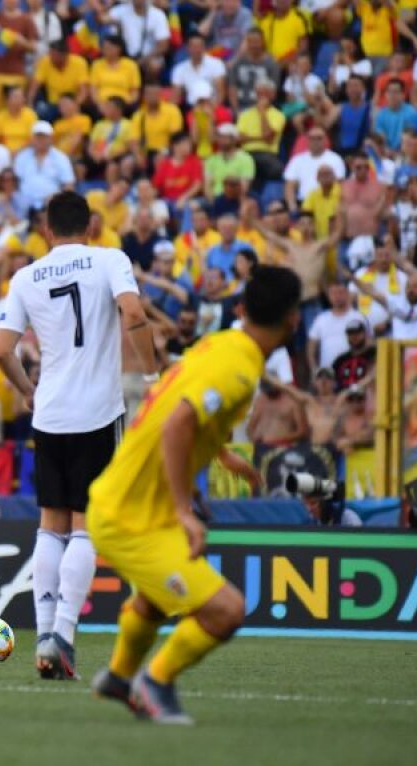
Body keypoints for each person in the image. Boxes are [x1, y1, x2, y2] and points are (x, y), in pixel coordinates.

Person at [88, 266, 298, 724]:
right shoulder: (238, 366)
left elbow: (178, 401)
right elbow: (177, 423)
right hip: (129, 515)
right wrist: (186, 511)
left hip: (130, 503)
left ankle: (120, 676)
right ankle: (155, 682)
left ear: (241, 308)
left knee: (153, 600)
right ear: (294, 318)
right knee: (226, 611)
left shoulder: (219, 345)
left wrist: (222, 454)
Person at [0, 190, 158, 680]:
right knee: (85, 527)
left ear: (46, 230)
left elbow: (1, 351)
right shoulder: (109, 259)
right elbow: (134, 313)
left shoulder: (26, 276)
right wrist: (152, 376)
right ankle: (62, 635)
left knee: (50, 525)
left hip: (50, 414)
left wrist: (29, 390)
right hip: (97, 413)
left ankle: (44, 635)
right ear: (91, 226)